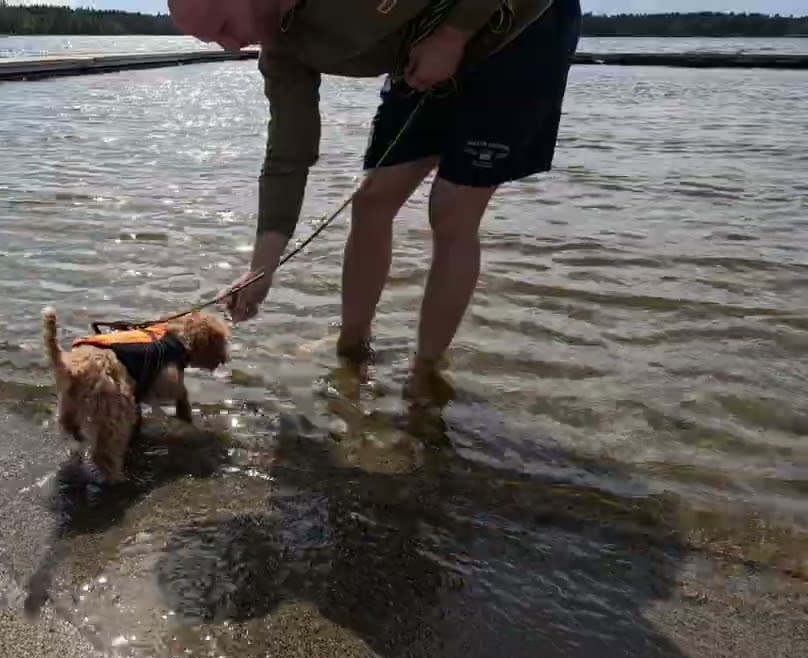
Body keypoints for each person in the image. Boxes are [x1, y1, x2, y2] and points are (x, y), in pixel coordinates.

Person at [167, 0, 582, 399]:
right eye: (212, 40)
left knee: (451, 210)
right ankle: (352, 347)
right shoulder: (280, 47)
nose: (231, 46)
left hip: (516, 29)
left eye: (224, 27)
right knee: (371, 203)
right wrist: (261, 269)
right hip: (423, 49)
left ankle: (425, 370)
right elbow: (287, 157)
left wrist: (455, 32)